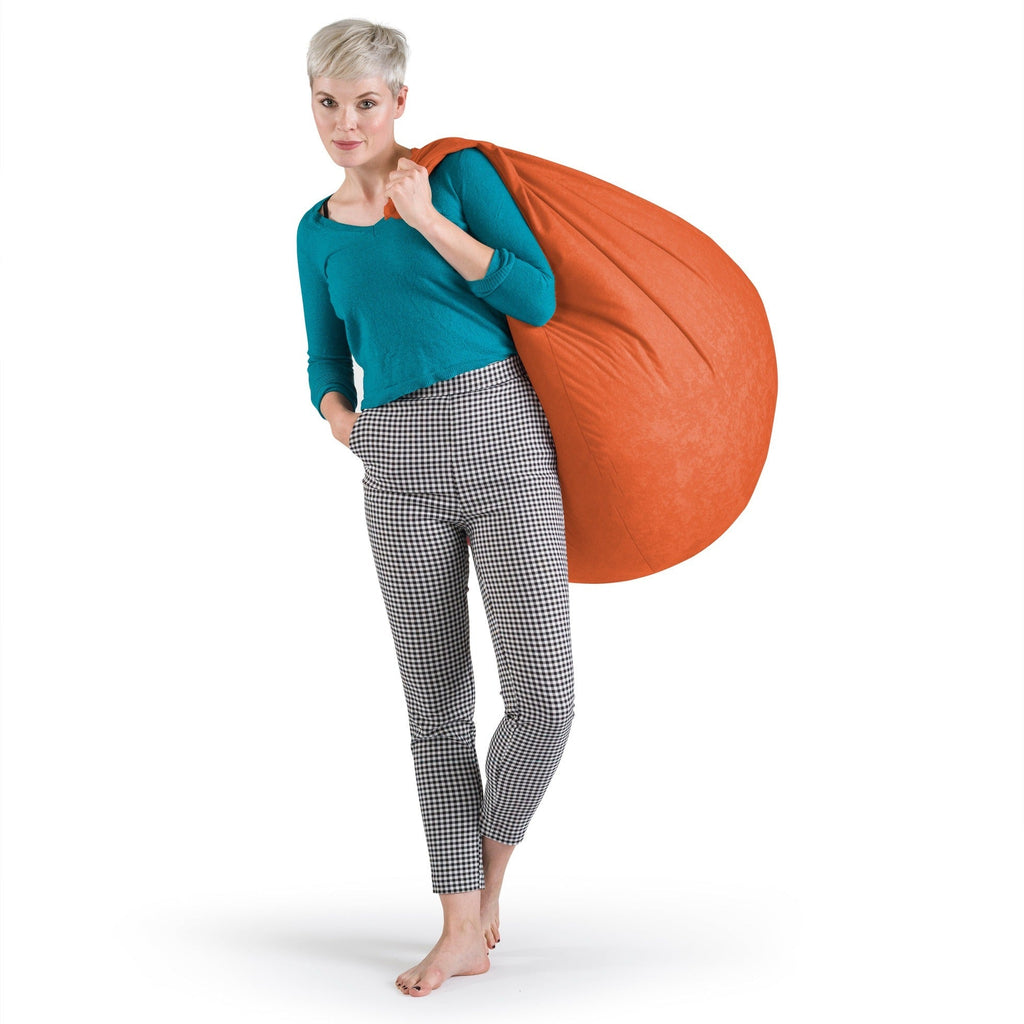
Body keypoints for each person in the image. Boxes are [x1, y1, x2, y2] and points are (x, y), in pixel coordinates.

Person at [296, 19, 575, 998]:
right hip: (397, 464)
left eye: (365, 102)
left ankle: (488, 880)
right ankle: (459, 926)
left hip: (503, 437)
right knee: (437, 706)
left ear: (400, 102)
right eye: (327, 102)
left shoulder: (455, 177)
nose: (346, 122)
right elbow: (324, 356)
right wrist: (345, 425)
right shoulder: (315, 230)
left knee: (545, 697)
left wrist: (426, 221)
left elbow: (535, 297)